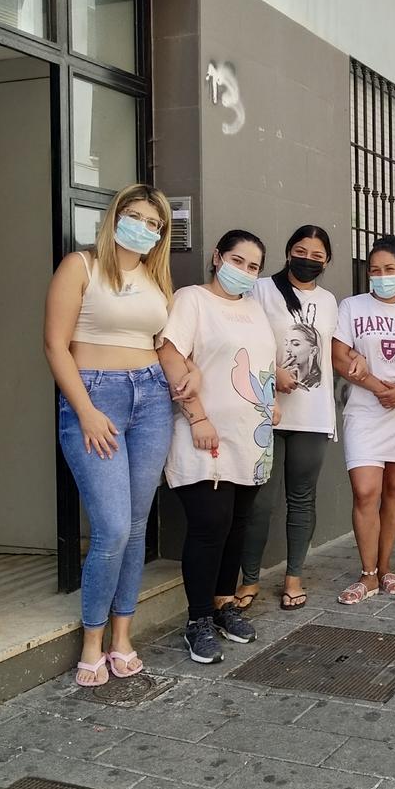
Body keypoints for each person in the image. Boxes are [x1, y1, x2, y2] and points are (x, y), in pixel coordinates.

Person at [44, 184, 177, 686]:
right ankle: (93, 641)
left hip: (153, 399)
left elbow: (160, 344)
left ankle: (123, 635)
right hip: (95, 397)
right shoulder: (80, 266)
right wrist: (86, 410)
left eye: (154, 222)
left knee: (137, 526)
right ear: (115, 215)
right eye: (135, 216)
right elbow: (56, 346)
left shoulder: (155, 276)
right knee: (113, 528)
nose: (143, 227)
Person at [157, 230, 279, 664]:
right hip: (204, 434)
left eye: (253, 266)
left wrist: (271, 402)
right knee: (210, 525)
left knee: (236, 525)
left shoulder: (254, 308)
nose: (244, 271)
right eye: (238, 260)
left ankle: (224, 603)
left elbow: (259, 362)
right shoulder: (192, 300)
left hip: (251, 437)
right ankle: (198, 620)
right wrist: (197, 416)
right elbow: (170, 354)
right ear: (216, 257)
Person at [237, 226, 361, 612]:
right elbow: (242, 340)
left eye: (317, 254)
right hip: (264, 411)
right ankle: (250, 578)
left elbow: (338, 351)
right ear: (288, 252)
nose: (309, 258)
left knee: (301, 500)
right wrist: (274, 371)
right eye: (301, 250)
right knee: (258, 501)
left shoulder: (329, 302)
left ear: (327, 261)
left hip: (313, 414)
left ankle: (294, 576)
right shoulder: (260, 289)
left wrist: (355, 360)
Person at [332, 235, 395, 604]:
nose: (382, 276)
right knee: (365, 491)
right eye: (375, 270)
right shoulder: (352, 307)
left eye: (390, 269)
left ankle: (386, 567)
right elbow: (339, 357)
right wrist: (378, 387)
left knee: (394, 491)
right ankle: (367, 573)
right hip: (365, 409)